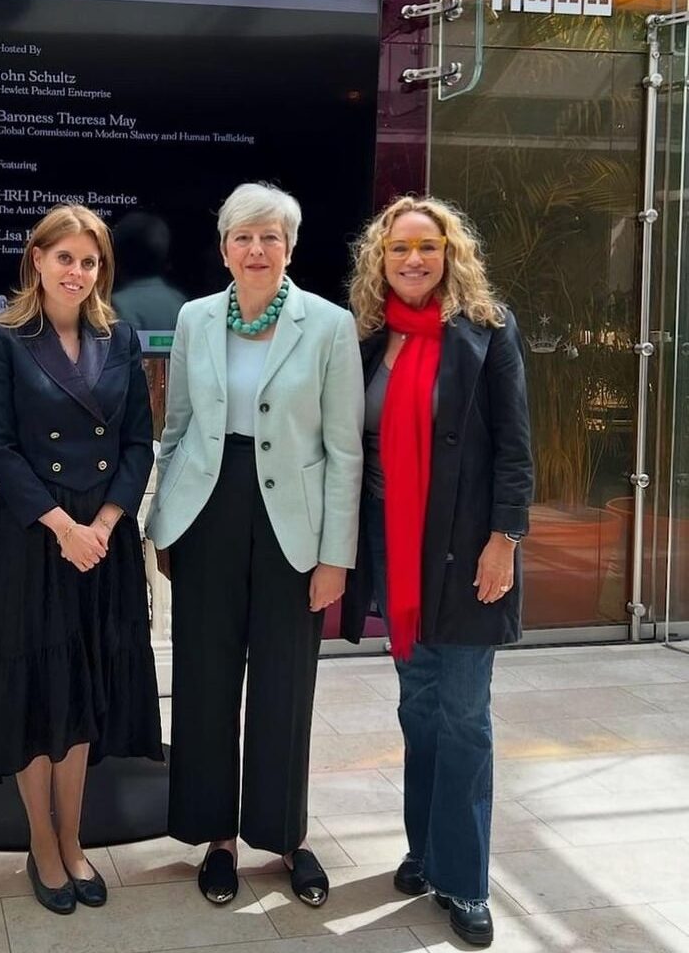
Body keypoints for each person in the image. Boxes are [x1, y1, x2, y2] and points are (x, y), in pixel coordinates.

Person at [146, 182, 364, 908]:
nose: (257, 249)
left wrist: (335, 555)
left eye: (270, 236)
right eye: (243, 237)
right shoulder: (194, 317)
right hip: (207, 509)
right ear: (224, 249)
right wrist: (162, 523)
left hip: (292, 523)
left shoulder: (330, 325)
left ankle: (285, 835)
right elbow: (175, 429)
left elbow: (343, 450)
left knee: (285, 681)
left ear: (291, 247)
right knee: (205, 679)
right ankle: (217, 838)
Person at [341, 196, 533, 948]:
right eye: (398, 250)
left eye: (427, 246)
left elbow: (515, 447)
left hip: (463, 548)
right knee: (418, 709)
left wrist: (505, 539)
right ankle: (423, 849)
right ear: (379, 260)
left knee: (463, 714)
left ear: (450, 253)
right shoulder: (368, 338)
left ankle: (465, 879)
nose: (413, 259)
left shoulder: (487, 332)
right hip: (395, 546)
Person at [0, 204, 163, 915]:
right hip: (34, 535)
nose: (76, 273)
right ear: (37, 261)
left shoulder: (122, 336)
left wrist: (107, 522)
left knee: (81, 691)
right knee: (36, 693)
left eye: (89, 261)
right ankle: (41, 847)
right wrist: (63, 527)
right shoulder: (2, 340)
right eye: (64, 259)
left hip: (100, 541)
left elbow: (140, 441)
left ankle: (73, 838)